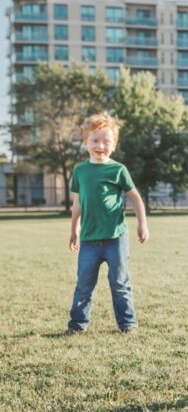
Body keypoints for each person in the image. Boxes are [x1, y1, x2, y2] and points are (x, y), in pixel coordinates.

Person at [65, 112, 149, 335]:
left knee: (120, 284)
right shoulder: (80, 171)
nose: (100, 145)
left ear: (114, 145)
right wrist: (74, 229)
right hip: (89, 240)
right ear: (85, 142)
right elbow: (77, 203)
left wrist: (143, 223)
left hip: (115, 238)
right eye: (95, 140)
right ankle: (77, 325)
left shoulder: (118, 169)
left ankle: (128, 324)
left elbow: (136, 197)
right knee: (83, 285)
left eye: (106, 141)